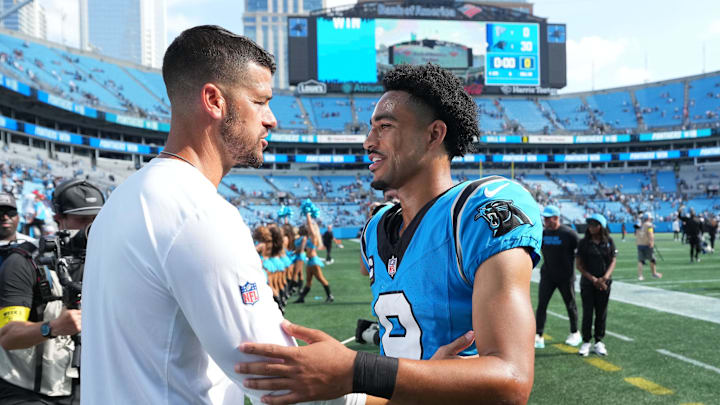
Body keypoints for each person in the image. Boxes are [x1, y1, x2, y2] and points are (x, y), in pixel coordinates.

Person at [81, 26, 365, 405]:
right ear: (214, 100)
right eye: (260, 101)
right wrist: (404, 387)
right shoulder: (197, 212)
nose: (272, 119)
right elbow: (277, 376)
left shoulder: (123, 199)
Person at [236, 63, 543, 405]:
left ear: (433, 134)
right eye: (371, 128)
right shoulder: (376, 229)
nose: (369, 142)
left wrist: (356, 370)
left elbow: (512, 380)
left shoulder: (477, 211)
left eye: (385, 127)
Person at [0, 179, 104, 405]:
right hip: (25, 390)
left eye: (98, 220)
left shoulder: (109, 261)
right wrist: (52, 327)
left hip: (82, 389)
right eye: (83, 220)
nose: (92, 228)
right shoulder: (24, 261)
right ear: (59, 219)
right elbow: (7, 335)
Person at [534, 205, 581, 349]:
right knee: (542, 305)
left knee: (570, 305)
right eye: (545, 218)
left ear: (556, 218)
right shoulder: (544, 234)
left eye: (548, 218)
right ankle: (539, 335)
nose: (546, 221)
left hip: (566, 276)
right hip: (548, 275)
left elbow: (581, 251)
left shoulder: (569, 234)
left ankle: (574, 333)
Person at [575, 214, 616, 357]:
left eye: (594, 224)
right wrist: (594, 279)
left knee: (601, 312)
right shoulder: (583, 243)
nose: (591, 227)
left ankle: (599, 341)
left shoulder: (609, 242)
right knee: (587, 313)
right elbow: (579, 265)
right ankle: (586, 341)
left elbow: (613, 260)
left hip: (604, 283)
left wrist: (604, 278)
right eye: (590, 224)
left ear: (601, 226)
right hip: (588, 283)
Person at [294, 214, 334, 303]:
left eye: (309, 227)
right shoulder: (309, 238)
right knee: (308, 281)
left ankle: (330, 295)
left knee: (321, 278)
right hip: (310, 261)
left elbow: (311, 228)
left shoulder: (313, 237)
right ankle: (301, 298)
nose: (308, 228)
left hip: (314, 261)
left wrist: (308, 215)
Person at [636, 212, 662, 280]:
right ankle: (654, 273)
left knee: (640, 260)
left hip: (639, 244)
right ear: (648, 218)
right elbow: (651, 234)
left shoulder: (638, 225)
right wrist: (652, 242)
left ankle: (640, 276)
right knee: (652, 259)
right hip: (647, 245)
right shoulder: (649, 225)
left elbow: (636, 234)